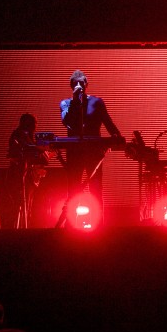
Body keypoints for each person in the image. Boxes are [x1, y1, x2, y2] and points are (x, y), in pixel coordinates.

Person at [57, 69, 123, 226]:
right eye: (75, 83)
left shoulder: (97, 102)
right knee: (73, 187)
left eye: (81, 83)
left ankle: (99, 223)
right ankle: (71, 224)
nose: (78, 85)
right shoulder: (65, 104)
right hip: (75, 151)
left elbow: (107, 121)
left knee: (95, 187)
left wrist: (116, 136)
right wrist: (75, 102)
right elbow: (68, 122)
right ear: (71, 86)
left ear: (86, 84)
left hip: (93, 150)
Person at [7, 113, 51, 228]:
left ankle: (24, 229)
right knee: (20, 205)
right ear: (26, 123)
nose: (35, 126)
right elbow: (29, 151)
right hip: (19, 176)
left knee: (27, 207)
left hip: (28, 177)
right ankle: (18, 231)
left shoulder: (28, 136)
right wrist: (42, 152)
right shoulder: (20, 135)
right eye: (33, 123)